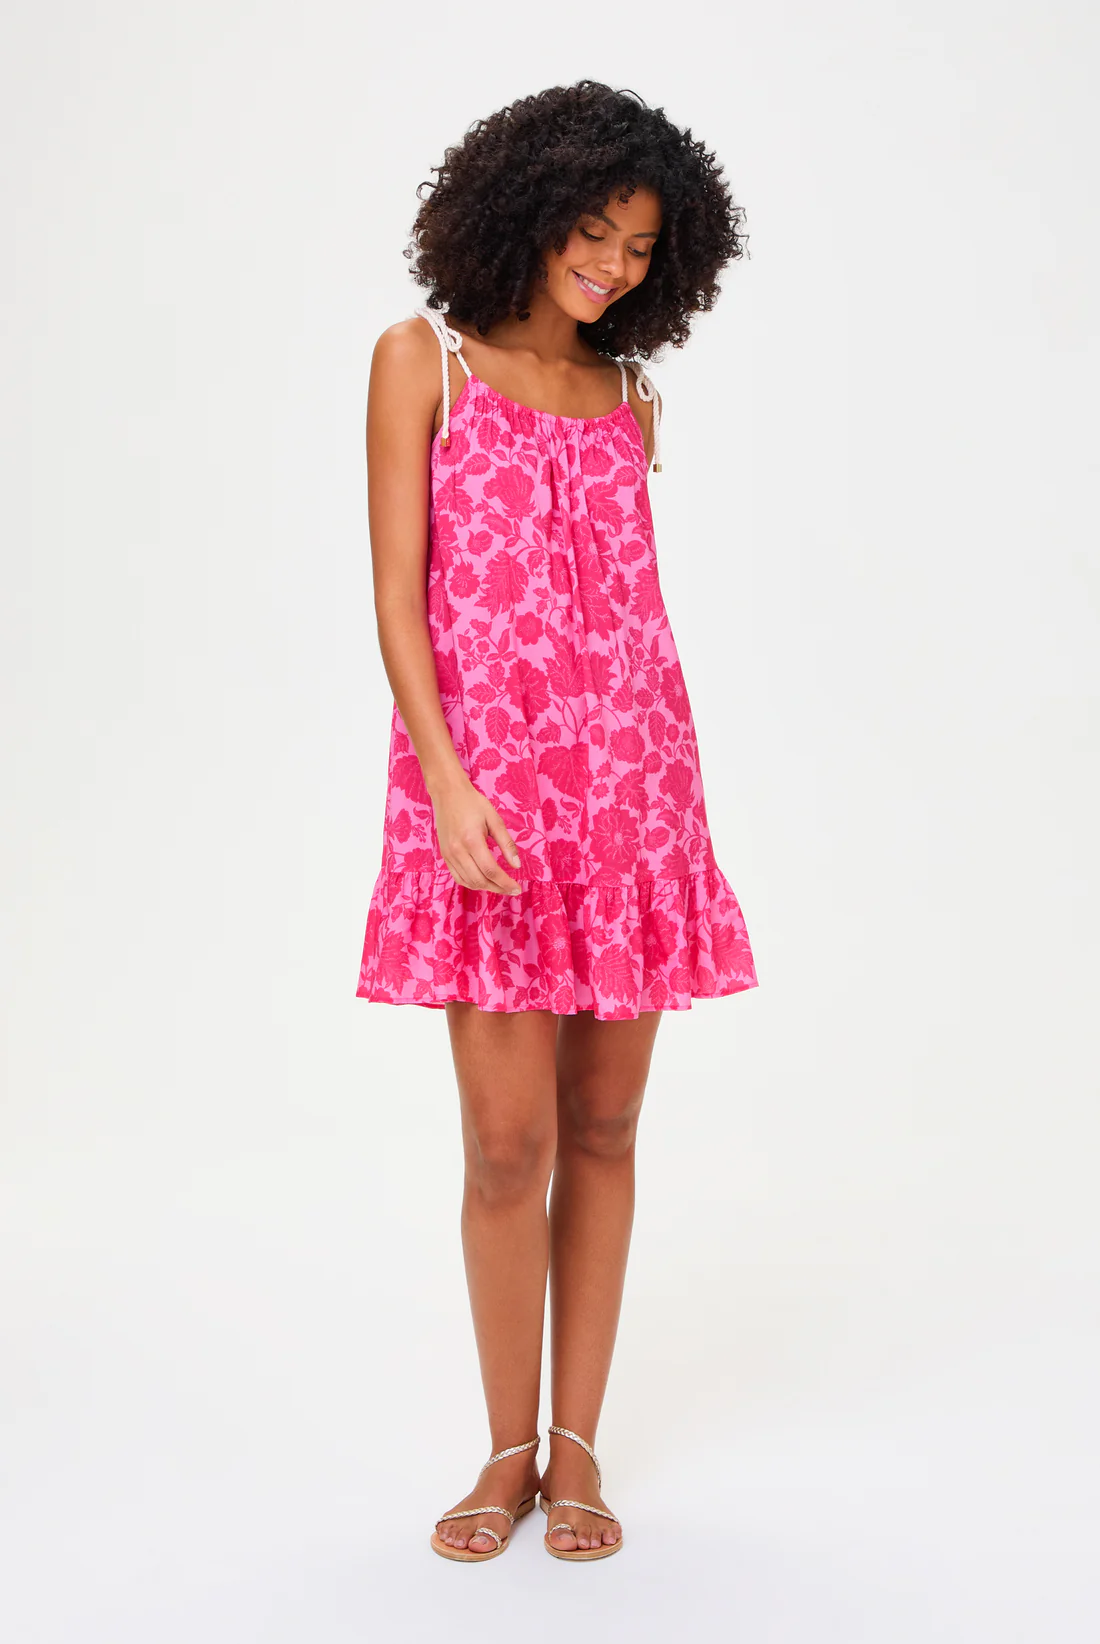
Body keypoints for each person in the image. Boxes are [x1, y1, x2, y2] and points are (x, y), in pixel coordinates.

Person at [356, 80, 758, 1562]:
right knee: (503, 1145)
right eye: (593, 231)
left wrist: (654, 806)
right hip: (487, 812)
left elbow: (629, 627)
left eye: (642, 248)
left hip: (634, 800)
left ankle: (576, 1450)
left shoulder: (632, 397)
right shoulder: (425, 361)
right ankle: (502, 1450)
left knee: (602, 1126)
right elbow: (398, 601)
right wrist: (448, 782)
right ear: (526, 208)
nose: (611, 264)